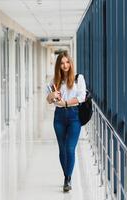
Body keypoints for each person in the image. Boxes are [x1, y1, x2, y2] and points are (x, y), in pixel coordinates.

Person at [46, 52, 86, 192]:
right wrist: (52, 96)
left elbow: (81, 97)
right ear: (58, 65)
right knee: (62, 149)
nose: (65, 65)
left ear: (71, 63)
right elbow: (49, 100)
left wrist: (66, 103)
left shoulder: (78, 78)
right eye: (62, 63)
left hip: (74, 116)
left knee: (70, 148)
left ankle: (67, 178)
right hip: (59, 118)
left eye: (67, 62)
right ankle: (66, 176)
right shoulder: (54, 81)